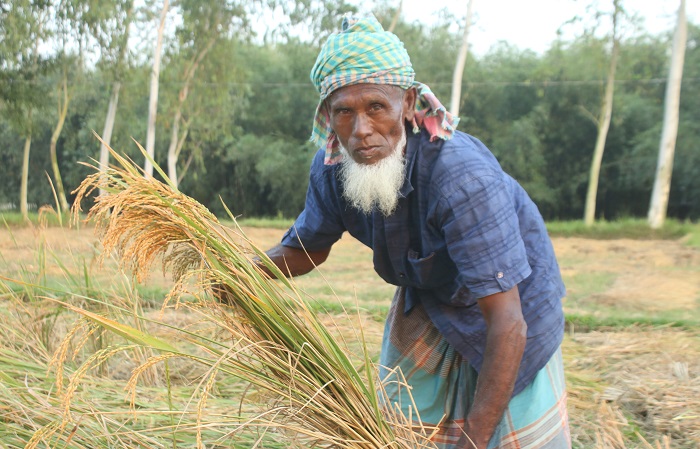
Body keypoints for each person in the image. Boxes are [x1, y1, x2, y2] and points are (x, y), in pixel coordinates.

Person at [259, 15, 570, 449]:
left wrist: (474, 442)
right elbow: (306, 248)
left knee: (503, 437)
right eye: (344, 112)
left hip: (513, 312)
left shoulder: (459, 176)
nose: (361, 130)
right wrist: (237, 271)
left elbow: (506, 321)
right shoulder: (333, 169)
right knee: (402, 435)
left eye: (376, 108)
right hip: (431, 299)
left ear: (407, 104)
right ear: (328, 116)